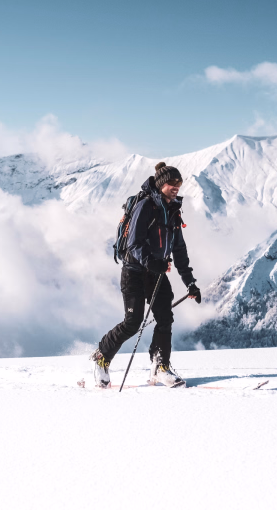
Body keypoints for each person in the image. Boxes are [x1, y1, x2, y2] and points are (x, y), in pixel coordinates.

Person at [90, 161, 201, 388]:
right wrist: (151, 262)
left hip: (155, 273)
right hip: (134, 272)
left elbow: (179, 250)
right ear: (161, 184)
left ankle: (160, 366)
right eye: (172, 182)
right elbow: (133, 243)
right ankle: (101, 357)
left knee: (165, 318)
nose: (176, 186)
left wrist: (190, 282)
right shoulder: (146, 206)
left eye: (178, 183)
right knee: (133, 322)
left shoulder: (173, 211)